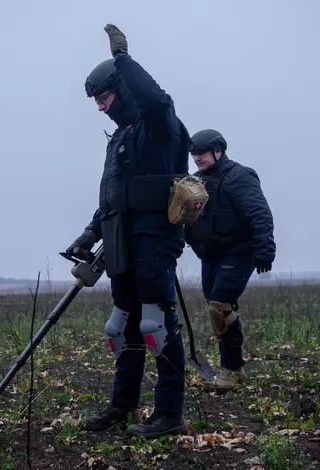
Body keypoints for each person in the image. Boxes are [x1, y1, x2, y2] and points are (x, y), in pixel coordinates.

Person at [64, 24, 192, 438]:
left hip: (153, 241)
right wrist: (90, 233)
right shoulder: (119, 138)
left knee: (155, 324)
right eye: (96, 101)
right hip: (120, 242)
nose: (101, 107)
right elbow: (115, 196)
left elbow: (158, 99)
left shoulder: (159, 128)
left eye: (104, 98)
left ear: (122, 89)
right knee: (121, 327)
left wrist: (123, 59)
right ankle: (123, 406)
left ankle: (170, 413)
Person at [183, 128, 276, 393]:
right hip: (209, 255)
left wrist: (265, 249)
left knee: (220, 306)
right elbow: (185, 218)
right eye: (194, 154)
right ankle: (233, 366)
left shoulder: (239, 176)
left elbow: (260, 213)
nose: (197, 158)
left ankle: (232, 370)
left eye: (202, 153)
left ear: (218, 150)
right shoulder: (195, 181)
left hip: (238, 251)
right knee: (219, 308)